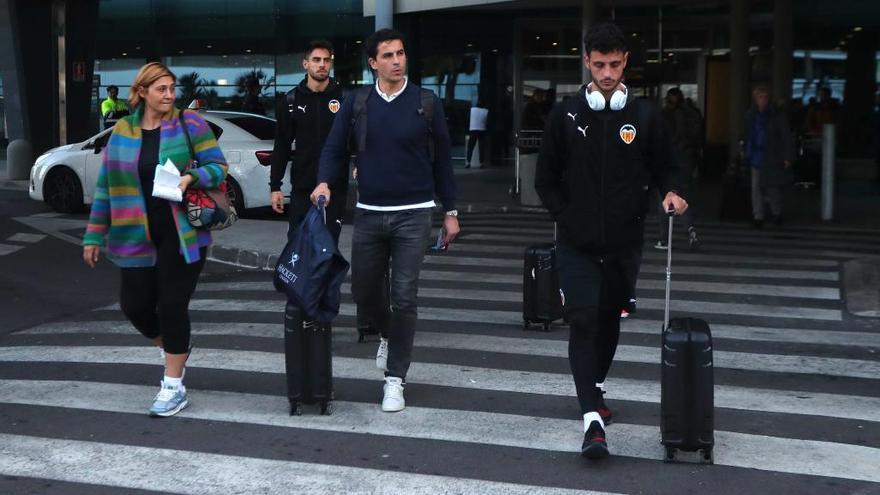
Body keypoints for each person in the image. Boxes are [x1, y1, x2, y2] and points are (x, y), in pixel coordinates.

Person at [535, 22, 686, 460]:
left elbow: (667, 167)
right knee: (582, 319)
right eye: (598, 65)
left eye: (614, 65)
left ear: (626, 64)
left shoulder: (644, 116)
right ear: (586, 61)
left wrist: (673, 193)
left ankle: (595, 386)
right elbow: (546, 179)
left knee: (609, 319)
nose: (606, 74)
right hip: (577, 243)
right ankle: (592, 422)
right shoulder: (565, 115)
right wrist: (567, 215)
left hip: (624, 242)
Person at [312, 28, 459, 413]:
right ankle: (386, 333)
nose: (397, 60)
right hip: (370, 213)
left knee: (405, 295)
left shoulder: (425, 102)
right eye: (388, 55)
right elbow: (333, 149)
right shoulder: (356, 102)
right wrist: (325, 182)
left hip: (415, 213)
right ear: (373, 63)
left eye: (401, 53)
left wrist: (451, 212)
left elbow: (443, 159)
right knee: (362, 291)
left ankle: (395, 379)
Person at [82, 62, 228, 417]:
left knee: (172, 305)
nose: (169, 95)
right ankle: (176, 346)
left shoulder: (189, 124)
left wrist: (190, 178)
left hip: (182, 233)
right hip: (133, 233)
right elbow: (106, 187)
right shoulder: (122, 130)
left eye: (172, 88)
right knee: (135, 306)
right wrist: (93, 235)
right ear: (142, 92)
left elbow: (218, 167)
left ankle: (173, 385)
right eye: (161, 89)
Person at [270, 40, 346, 243]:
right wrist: (275, 186)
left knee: (328, 249)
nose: (322, 64)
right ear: (306, 64)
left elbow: (355, 139)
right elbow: (282, 145)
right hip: (302, 188)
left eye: (326, 60)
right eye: (316, 60)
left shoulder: (344, 98)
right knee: (298, 247)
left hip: (334, 188)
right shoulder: (290, 101)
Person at [655, 87, 702, 251]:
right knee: (682, 198)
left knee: (665, 197)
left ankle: (664, 238)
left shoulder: (667, 115)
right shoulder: (691, 114)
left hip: (670, 163)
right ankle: (691, 230)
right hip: (687, 161)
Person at [743, 85, 794, 228]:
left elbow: (785, 136)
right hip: (757, 155)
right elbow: (748, 135)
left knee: (772, 187)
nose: (762, 100)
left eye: (764, 97)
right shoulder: (751, 115)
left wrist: (787, 156)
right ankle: (758, 216)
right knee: (756, 188)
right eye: (760, 97)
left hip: (771, 155)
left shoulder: (776, 115)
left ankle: (776, 212)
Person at [465, 100, 489, 168]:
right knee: (481, 147)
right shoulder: (485, 111)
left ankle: (468, 162)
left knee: (470, 147)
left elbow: (467, 119)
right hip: (482, 130)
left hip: (473, 129)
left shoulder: (472, 110)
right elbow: (487, 122)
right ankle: (481, 163)